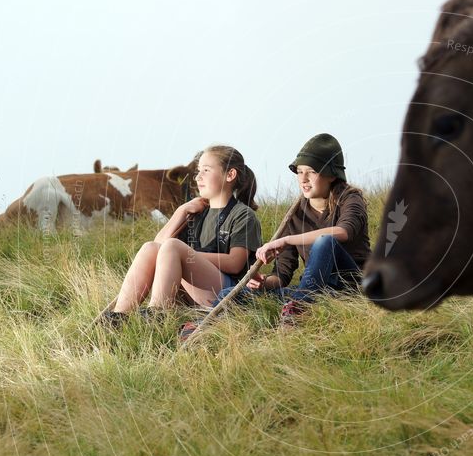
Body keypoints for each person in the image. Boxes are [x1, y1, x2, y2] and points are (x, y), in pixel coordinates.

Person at [104, 145, 262, 325]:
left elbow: (235, 263)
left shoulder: (242, 215)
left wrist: (187, 255)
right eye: (198, 171)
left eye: (206, 170)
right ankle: (118, 318)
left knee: (172, 247)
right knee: (150, 247)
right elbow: (158, 247)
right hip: (193, 292)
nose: (197, 177)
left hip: (228, 293)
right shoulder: (196, 212)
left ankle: (157, 315)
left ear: (230, 175)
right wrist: (182, 210)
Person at [228, 133, 370, 326]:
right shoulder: (296, 213)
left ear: (331, 174)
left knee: (325, 241)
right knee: (230, 293)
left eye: (311, 171)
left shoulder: (350, 199)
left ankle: (299, 307)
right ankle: (202, 323)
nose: (303, 179)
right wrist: (264, 283)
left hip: (351, 288)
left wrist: (287, 240)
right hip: (316, 291)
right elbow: (282, 275)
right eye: (299, 171)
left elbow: (343, 231)